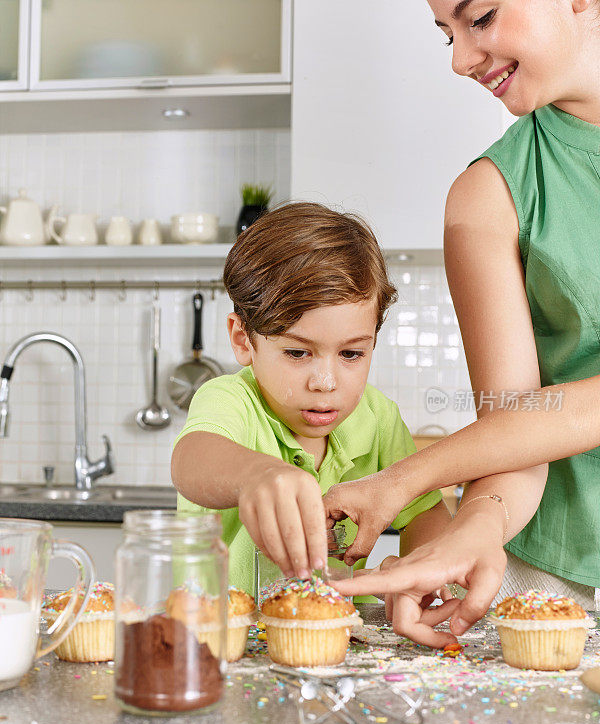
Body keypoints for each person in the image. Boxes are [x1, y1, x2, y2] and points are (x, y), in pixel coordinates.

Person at [324, 0, 600, 644]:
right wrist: (477, 521)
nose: (458, 59)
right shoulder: (488, 193)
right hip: (558, 583)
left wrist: (405, 479)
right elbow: (516, 422)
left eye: (481, 17)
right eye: (445, 33)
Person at [171, 201, 450, 619]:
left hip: (337, 649)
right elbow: (191, 460)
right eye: (298, 352)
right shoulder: (229, 399)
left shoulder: (377, 417)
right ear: (244, 340)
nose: (326, 381)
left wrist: (416, 571)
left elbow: (426, 512)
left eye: (352, 353)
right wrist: (256, 475)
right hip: (219, 643)